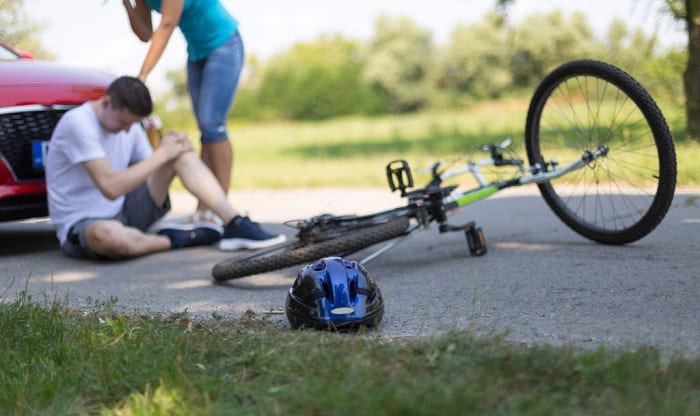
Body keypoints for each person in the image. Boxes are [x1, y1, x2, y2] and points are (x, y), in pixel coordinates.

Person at [45, 76, 285, 260]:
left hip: (126, 210)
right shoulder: (78, 123)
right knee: (111, 239)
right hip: (86, 223)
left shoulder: (128, 125)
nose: (129, 131)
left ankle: (234, 223)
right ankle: (180, 238)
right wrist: (161, 154)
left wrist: (172, 149)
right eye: (124, 123)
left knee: (178, 152)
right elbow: (110, 187)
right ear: (106, 103)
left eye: (134, 125)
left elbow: (151, 167)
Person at [121, 0, 243, 228]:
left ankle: (225, 215)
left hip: (224, 44)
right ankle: (205, 210)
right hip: (197, 54)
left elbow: (167, 25)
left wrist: (142, 76)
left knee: (213, 125)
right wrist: (126, 3)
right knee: (206, 131)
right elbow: (146, 33)